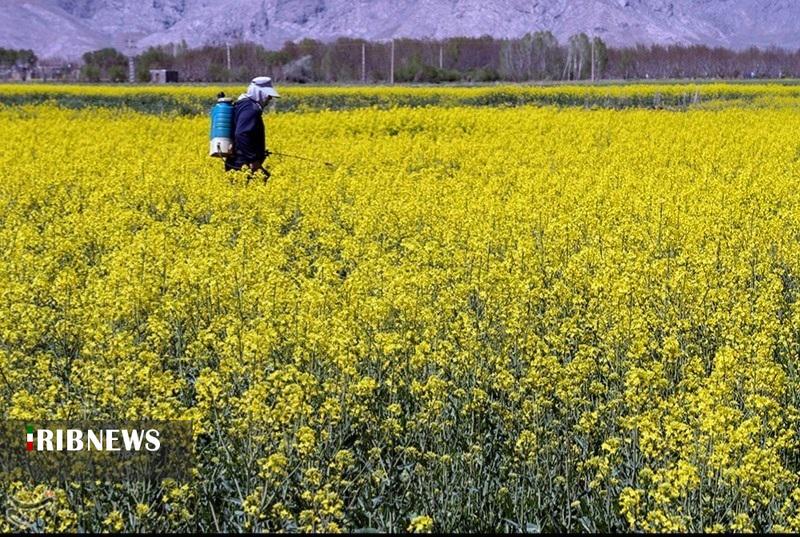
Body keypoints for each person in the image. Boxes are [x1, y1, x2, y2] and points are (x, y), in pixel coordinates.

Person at [225, 76, 280, 180]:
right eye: (268, 95)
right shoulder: (251, 109)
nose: (270, 98)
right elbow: (242, 134)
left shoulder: (243, 104)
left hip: (238, 162)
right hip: (243, 164)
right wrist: (253, 160)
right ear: (260, 93)